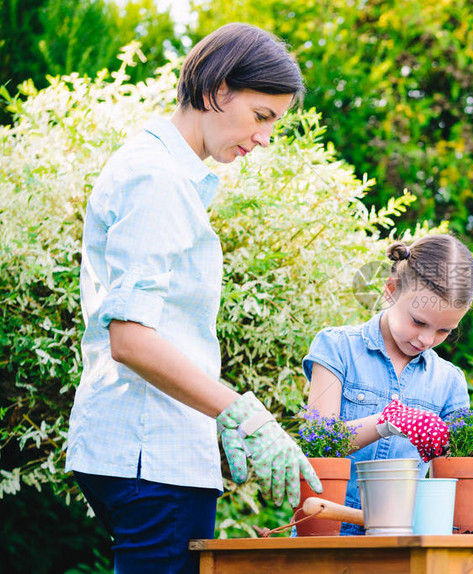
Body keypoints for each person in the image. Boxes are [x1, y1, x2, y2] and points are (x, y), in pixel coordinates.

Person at [64, 23, 321, 573]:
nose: (264, 138)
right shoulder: (158, 180)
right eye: (261, 116)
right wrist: (245, 416)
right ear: (216, 91)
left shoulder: (160, 171)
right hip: (151, 455)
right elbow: (131, 339)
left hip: (148, 451)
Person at [303, 234, 473, 535]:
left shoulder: (449, 381)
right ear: (391, 291)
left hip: (403, 541)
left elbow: (452, 471)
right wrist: (386, 423)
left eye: (444, 331)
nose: (427, 339)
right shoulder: (336, 348)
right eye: (418, 322)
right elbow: (316, 442)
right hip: (327, 531)